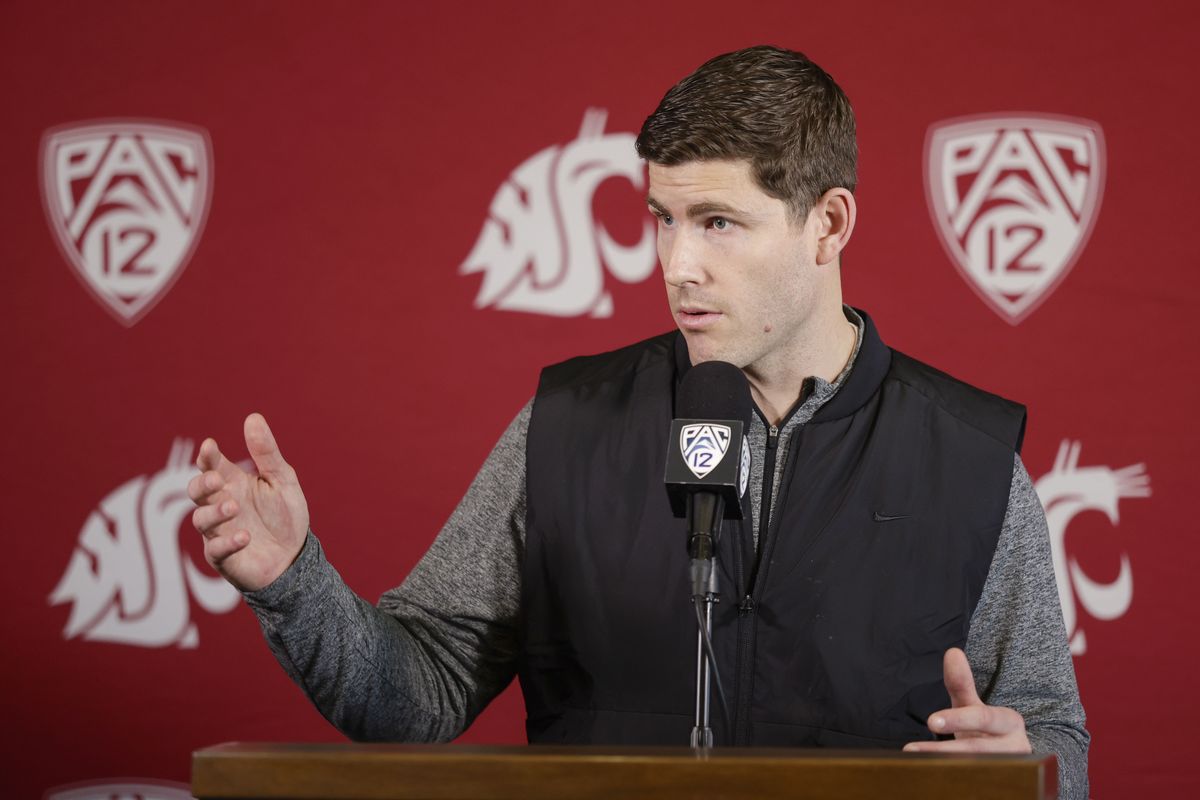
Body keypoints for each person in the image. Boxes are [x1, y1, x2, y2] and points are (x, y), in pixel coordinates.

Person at [188, 45, 1088, 798]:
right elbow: (415, 692)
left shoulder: (968, 458)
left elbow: (1056, 741)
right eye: (662, 218)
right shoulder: (563, 427)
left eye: (719, 222)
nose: (677, 264)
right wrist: (293, 580)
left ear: (829, 224)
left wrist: (1026, 764)